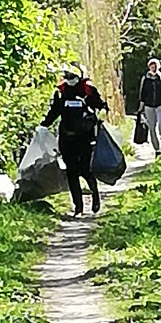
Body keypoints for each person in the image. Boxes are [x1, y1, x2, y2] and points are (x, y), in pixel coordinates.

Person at [39, 64, 107, 217]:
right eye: (67, 76)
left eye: (72, 75)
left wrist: (94, 105)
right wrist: (43, 126)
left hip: (85, 138)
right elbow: (55, 111)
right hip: (67, 137)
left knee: (85, 169)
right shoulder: (61, 91)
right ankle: (79, 208)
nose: (69, 79)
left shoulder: (88, 89)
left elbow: (100, 105)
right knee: (71, 172)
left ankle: (95, 194)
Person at [138, 57, 161, 156]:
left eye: (155, 66)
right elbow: (142, 93)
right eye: (152, 66)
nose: (153, 67)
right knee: (152, 128)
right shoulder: (145, 79)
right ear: (149, 67)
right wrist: (141, 107)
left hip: (160, 104)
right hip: (148, 106)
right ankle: (157, 150)